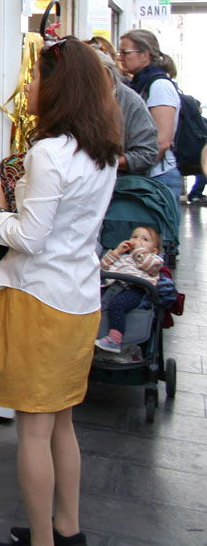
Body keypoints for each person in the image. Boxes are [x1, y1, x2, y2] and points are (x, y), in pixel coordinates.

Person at [0, 37, 122, 546]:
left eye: (37, 77)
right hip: (80, 297)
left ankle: (42, 541)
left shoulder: (49, 153)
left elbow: (31, 238)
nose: (29, 85)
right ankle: (67, 528)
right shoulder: (103, 152)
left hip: (38, 300)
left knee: (33, 432)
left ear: (58, 87)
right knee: (62, 423)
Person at [117, 29, 182, 199]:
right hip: (146, 175)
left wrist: (136, 165)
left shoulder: (159, 85)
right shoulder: (137, 84)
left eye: (125, 52)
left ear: (145, 55)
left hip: (157, 178)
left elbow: (162, 141)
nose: (119, 57)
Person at [89, 45, 158, 175]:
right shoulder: (81, 99)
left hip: (119, 187)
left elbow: (147, 154)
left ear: (105, 73)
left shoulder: (132, 102)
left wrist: (108, 163)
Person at [95, 226, 164, 353]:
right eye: (134, 237)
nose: (138, 241)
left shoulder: (153, 260)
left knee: (118, 305)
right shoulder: (124, 257)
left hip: (136, 289)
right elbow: (103, 266)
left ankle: (114, 340)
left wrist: (139, 251)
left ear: (155, 250)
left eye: (145, 239)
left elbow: (147, 265)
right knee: (94, 301)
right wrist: (117, 251)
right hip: (113, 286)